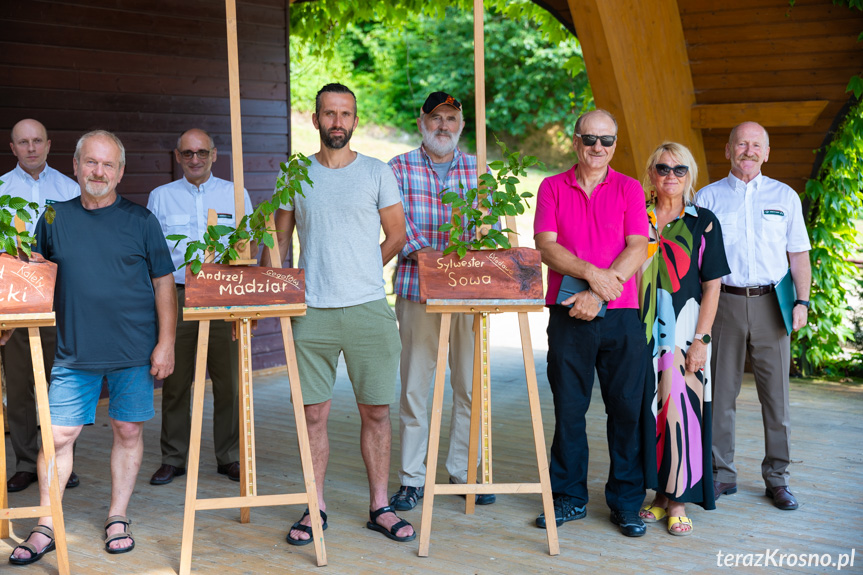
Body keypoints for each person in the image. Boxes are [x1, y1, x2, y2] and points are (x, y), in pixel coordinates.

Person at [4, 130, 177, 565]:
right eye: (90, 163)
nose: (98, 171)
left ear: (120, 172)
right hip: (73, 351)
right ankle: (46, 522)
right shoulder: (53, 218)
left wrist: (167, 343)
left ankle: (117, 516)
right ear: (76, 167)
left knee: (128, 430)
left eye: (108, 164)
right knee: (59, 435)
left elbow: (163, 286)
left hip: (133, 350)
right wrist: (9, 315)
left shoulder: (141, 221)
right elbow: (32, 275)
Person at [271, 83, 414, 544]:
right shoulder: (295, 174)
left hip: (369, 309)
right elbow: (279, 242)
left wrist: (361, 268)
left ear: (354, 120)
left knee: (376, 411)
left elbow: (397, 234)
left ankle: (380, 506)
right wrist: (283, 291)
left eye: (345, 114)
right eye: (329, 114)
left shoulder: (376, 172)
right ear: (316, 120)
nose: (337, 121)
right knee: (314, 415)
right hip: (311, 312)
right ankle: (316, 506)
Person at [533, 109, 649, 537]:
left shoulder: (630, 188)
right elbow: (546, 246)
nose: (598, 148)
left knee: (626, 410)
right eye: (590, 139)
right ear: (576, 141)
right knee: (569, 409)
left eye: (607, 140)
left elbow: (639, 245)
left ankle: (626, 503)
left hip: (619, 316)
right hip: (568, 315)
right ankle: (568, 497)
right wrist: (591, 273)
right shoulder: (551, 187)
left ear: (615, 145)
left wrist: (598, 289)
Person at [387, 91, 495, 511]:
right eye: (436, 118)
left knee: (471, 386)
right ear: (422, 122)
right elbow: (397, 225)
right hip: (418, 290)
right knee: (416, 387)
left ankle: (465, 471)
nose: (444, 126)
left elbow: (492, 230)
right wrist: (432, 258)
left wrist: (479, 247)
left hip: (469, 296)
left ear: (462, 125)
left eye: (451, 118)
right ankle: (412, 478)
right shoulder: (397, 168)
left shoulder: (479, 169)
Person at [697, 122, 811, 511]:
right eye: (741, 144)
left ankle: (777, 479)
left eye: (756, 145)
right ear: (728, 150)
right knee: (721, 394)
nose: (748, 150)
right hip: (723, 302)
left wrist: (803, 302)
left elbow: (798, 255)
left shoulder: (786, 196)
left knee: (775, 398)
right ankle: (720, 474)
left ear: (767, 153)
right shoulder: (706, 197)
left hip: (771, 303)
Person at [146, 128, 253, 485]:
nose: (195, 159)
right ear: (177, 156)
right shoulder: (160, 197)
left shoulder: (235, 195)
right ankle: (174, 458)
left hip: (223, 294)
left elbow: (246, 250)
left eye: (202, 153)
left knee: (230, 382)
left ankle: (231, 456)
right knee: (175, 381)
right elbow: (151, 253)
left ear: (214, 154)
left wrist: (245, 303)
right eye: (188, 153)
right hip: (176, 295)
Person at [636, 142, 730, 535]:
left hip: (684, 330)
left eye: (679, 169)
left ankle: (677, 501)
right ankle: (657, 495)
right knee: (647, 414)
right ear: (651, 173)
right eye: (663, 168)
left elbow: (712, 286)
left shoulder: (703, 221)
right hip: (637, 330)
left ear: (690, 175)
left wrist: (701, 339)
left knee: (682, 414)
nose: (670, 176)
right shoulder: (635, 215)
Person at [1, 119, 81, 493]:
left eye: (37, 141)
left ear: (49, 145)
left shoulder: (69, 188)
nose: (31, 148)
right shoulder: (1, 189)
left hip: (59, 299)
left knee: (59, 384)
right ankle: (25, 461)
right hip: (15, 301)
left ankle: (61, 456)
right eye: (23, 142)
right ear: (13, 147)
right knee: (19, 386)